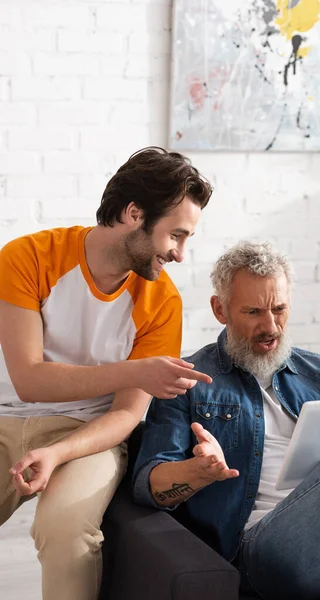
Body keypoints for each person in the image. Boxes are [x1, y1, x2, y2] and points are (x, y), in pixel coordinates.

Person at [0, 146, 213, 600]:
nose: (179, 253)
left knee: (65, 529)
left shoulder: (162, 302)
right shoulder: (28, 258)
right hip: (5, 419)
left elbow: (126, 415)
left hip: (89, 435)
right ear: (135, 213)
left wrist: (58, 453)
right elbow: (29, 380)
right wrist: (135, 370)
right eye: (176, 235)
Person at [133, 241, 320, 600]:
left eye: (279, 309)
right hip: (266, 553)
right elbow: (148, 486)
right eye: (254, 312)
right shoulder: (189, 382)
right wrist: (197, 473)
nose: (270, 326)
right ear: (220, 309)